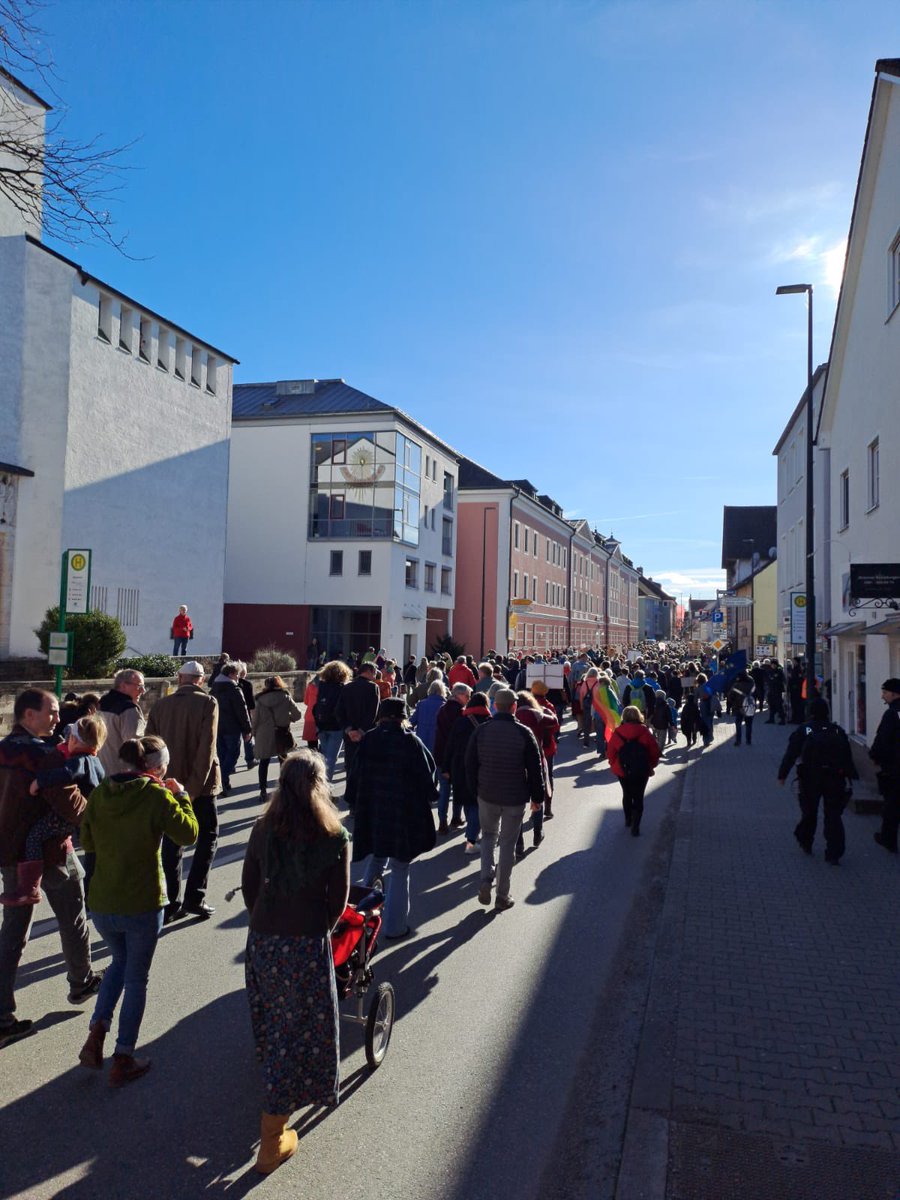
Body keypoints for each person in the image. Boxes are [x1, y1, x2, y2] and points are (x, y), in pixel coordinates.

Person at [241, 751, 350, 1174]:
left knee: (275, 1019)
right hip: (306, 939)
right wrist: (316, 924)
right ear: (319, 785)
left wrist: (264, 917)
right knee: (301, 1025)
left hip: (266, 936)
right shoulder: (334, 835)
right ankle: (271, 1138)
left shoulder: (263, 827)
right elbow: (337, 901)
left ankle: (276, 1090)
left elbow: (250, 884)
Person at [78, 735, 198, 1085]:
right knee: (136, 977)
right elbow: (188, 834)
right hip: (142, 900)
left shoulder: (101, 793)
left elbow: (87, 839)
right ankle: (123, 1056)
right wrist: (183, 796)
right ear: (157, 767)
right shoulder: (156, 794)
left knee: (119, 962)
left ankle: (97, 1031)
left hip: (103, 899)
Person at [0, 689, 103, 1048]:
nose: (58, 719)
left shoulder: (3, 747)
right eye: (52, 712)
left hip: (10, 854)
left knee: (13, 932)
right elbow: (73, 807)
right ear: (29, 716)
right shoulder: (44, 755)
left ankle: (1, 1014)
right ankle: (82, 981)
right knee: (73, 916)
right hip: (50, 852)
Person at [348, 699, 437, 939]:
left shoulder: (369, 740)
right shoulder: (410, 742)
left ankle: (361, 917)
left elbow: (354, 776)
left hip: (374, 811)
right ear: (402, 717)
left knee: (376, 860)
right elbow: (429, 778)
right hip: (402, 814)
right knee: (399, 867)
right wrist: (431, 797)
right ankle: (395, 927)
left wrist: (354, 802)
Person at [0, 715, 106, 906]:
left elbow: (65, 775)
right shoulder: (95, 761)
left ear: (74, 740)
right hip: (86, 815)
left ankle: (30, 886)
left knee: (34, 836)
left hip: (64, 819)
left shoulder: (78, 761)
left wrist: (39, 782)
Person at [145, 660, 220, 921]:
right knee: (208, 837)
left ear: (180, 678)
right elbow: (206, 748)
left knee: (171, 842)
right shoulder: (208, 703)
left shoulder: (161, 705)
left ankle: (170, 901)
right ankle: (194, 897)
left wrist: (155, 777)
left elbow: (148, 746)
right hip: (199, 785)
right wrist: (194, 789)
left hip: (167, 781)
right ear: (200, 679)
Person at [465, 688, 544, 911]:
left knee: (489, 836)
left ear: (494, 706)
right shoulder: (524, 732)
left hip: (487, 793)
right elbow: (535, 768)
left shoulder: (482, 731)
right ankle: (502, 894)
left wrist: (475, 790)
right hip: (514, 796)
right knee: (508, 844)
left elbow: (469, 764)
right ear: (514, 707)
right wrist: (537, 798)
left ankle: (485, 878)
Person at [777, 697, 857, 865]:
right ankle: (833, 853)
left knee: (809, 812)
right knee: (833, 815)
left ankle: (806, 841)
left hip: (810, 777)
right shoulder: (837, 730)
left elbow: (791, 753)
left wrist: (782, 775)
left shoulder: (805, 730)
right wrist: (850, 776)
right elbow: (847, 756)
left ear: (810, 712)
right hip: (835, 777)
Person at [446, 692, 491, 854]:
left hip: (460, 767)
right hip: (480, 767)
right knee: (476, 804)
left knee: (468, 802)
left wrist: (446, 768)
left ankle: (471, 834)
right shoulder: (488, 722)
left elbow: (450, 746)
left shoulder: (460, 722)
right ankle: (471, 840)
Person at [607, 705, 661, 837]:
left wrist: (613, 764)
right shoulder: (644, 731)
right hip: (641, 769)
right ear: (639, 716)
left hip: (623, 769)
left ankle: (628, 819)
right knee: (639, 797)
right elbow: (654, 751)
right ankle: (636, 826)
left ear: (624, 717)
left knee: (627, 794)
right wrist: (651, 766)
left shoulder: (618, 732)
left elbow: (611, 752)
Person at [253, 676, 304, 799]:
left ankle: (263, 791)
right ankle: (284, 788)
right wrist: (288, 719)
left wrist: (254, 732)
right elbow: (297, 715)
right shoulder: (285, 697)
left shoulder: (260, 700)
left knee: (264, 763)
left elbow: (256, 720)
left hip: (264, 734)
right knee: (283, 762)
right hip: (282, 732)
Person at [334, 662, 380, 787]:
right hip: (366, 734)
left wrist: (349, 730)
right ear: (368, 672)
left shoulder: (347, 687)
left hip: (349, 735)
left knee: (350, 766)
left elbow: (338, 711)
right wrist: (361, 730)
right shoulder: (373, 687)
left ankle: (350, 794)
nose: (375, 675)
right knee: (366, 767)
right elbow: (373, 713)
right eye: (374, 672)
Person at [433, 682, 471, 833]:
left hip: (440, 753)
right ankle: (456, 817)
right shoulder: (462, 712)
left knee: (444, 789)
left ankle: (442, 821)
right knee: (457, 788)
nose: (469, 698)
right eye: (467, 695)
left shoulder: (442, 709)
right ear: (458, 695)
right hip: (456, 755)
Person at [211, 663, 252, 795]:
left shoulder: (214, 688)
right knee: (233, 755)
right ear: (231, 674)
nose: (238, 678)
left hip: (217, 727)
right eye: (237, 675)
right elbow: (242, 710)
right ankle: (222, 779)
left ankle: (224, 782)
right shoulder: (234, 689)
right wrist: (247, 729)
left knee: (222, 755)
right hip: (232, 727)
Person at [870, 677, 900, 854]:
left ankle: (888, 839)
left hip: (894, 768)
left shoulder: (892, 714)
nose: (882, 697)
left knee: (892, 804)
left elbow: (883, 738)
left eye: (885, 693)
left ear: (895, 694)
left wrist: (874, 755)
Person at [308, 661, 352, 782]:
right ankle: (325, 787)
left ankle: (318, 780)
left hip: (321, 724)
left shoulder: (322, 685)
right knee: (331, 758)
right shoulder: (343, 688)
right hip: (336, 726)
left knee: (323, 756)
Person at [97, 669, 146, 774]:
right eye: (139, 686)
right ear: (123, 686)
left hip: (100, 771)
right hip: (121, 775)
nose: (143, 691)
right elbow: (135, 746)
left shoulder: (100, 704)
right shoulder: (129, 710)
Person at [730, 671, 757, 747]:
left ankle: (738, 741)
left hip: (739, 707)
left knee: (738, 723)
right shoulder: (752, 684)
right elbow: (756, 694)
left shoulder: (736, 685)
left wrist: (733, 703)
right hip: (749, 707)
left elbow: (730, 696)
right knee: (749, 724)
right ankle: (748, 740)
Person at [237, 663, 256, 769]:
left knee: (235, 739)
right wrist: (254, 717)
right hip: (246, 714)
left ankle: (231, 765)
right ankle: (250, 759)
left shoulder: (231, 683)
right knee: (248, 737)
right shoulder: (247, 684)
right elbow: (251, 703)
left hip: (233, 716)